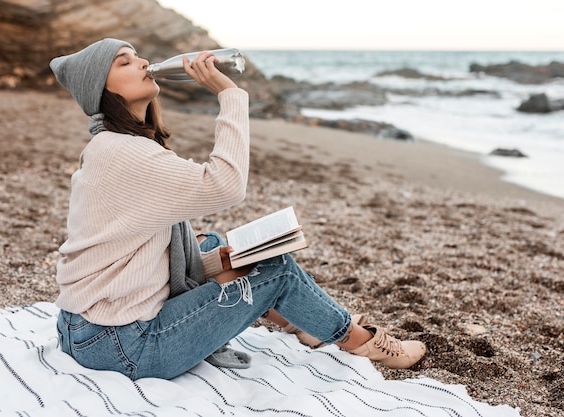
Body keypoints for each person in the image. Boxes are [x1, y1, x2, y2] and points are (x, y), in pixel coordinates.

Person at [50, 38, 426, 381]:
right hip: (122, 346)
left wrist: (219, 262)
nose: (144, 62)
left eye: (137, 56)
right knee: (276, 271)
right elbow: (226, 184)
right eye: (124, 62)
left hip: (85, 330)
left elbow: (135, 246)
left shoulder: (113, 147)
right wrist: (229, 93)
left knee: (214, 246)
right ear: (102, 89)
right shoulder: (123, 152)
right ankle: (361, 341)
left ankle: (304, 320)